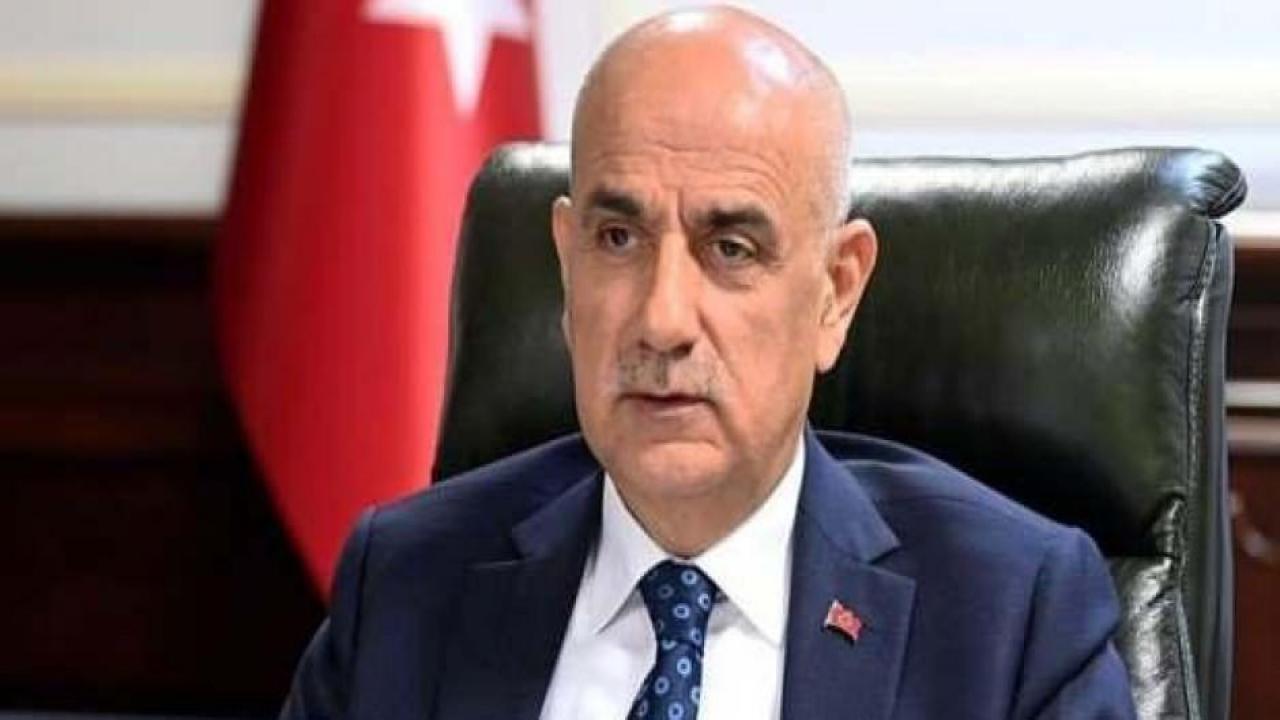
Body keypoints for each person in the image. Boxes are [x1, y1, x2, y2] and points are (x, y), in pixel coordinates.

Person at [281, 7, 1136, 719]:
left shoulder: (1009, 620)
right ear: (567, 264)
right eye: (619, 239)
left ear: (836, 292)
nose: (661, 320)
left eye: (731, 247)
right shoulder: (406, 584)